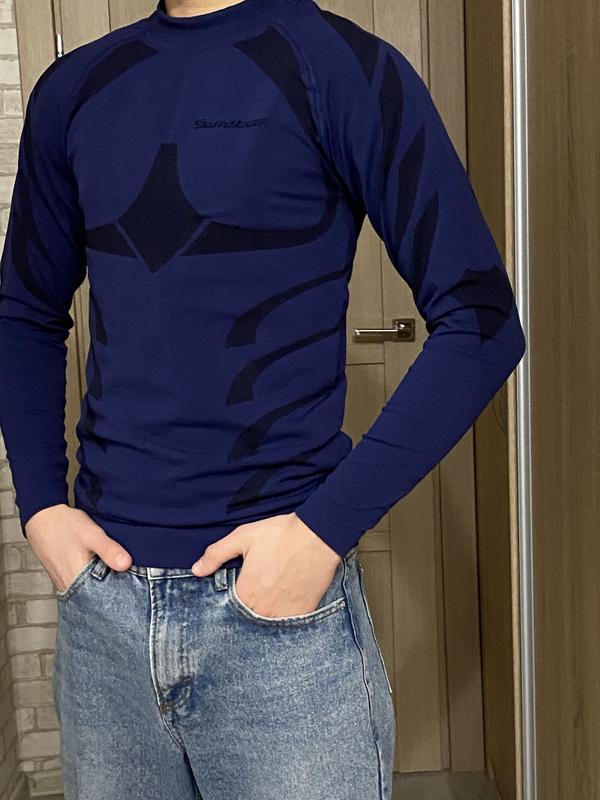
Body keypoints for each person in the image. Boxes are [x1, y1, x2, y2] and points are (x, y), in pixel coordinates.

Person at [0, 0, 526, 797]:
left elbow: (481, 322)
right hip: (105, 614)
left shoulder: (341, 67)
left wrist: (321, 534)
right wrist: (41, 506)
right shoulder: (75, 88)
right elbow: (25, 311)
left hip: (277, 622)